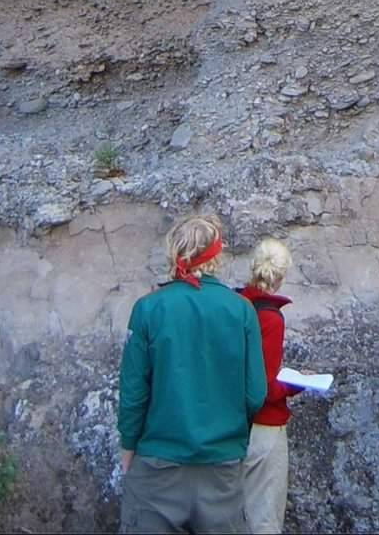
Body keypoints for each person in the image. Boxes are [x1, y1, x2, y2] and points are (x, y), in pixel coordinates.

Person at [117, 213, 268, 535]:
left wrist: (128, 449)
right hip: (221, 469)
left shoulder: (148, 308)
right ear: (217, 255)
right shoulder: (241, 309)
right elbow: (255, 393)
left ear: (174, 254)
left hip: (157, 465)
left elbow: (133, 392)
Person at [237, 238, 298, 535]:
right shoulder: (270, 318)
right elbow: (265, 388)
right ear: (282, 275)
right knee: (264, 520)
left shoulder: (235, 306)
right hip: (264, 426)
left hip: (230, 425)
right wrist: (295, 385)